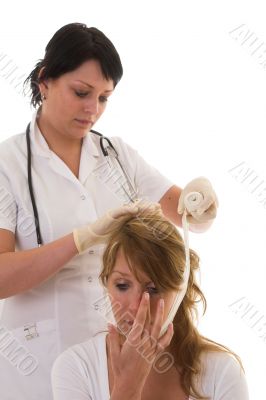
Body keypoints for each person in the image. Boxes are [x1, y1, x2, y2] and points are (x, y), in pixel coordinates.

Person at [0, 22, 218, 400]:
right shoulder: (8, 164)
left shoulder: (116, 156)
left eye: (103, 98)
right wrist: (82, 239)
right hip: (38, 362)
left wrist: (203, 203)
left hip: (119, 358)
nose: (92, 110)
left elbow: (185, 212)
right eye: (81, 93)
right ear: (44, 81)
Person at [52, 208, 249, 400]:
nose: (137, 307)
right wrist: (127, 387)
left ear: (180, 291)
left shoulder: (222, 372)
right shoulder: (76, 368)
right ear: (107, 285)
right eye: (122, 285)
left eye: (154, 289)